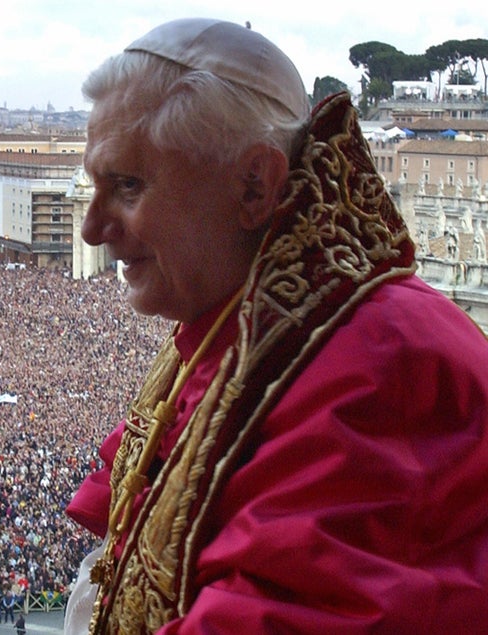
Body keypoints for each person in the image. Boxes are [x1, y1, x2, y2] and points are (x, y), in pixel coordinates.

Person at [64, 17, 488, 634]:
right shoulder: (238, 324)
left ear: (255, 186)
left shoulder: (381, 372)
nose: (91, 229)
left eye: (126, 186)